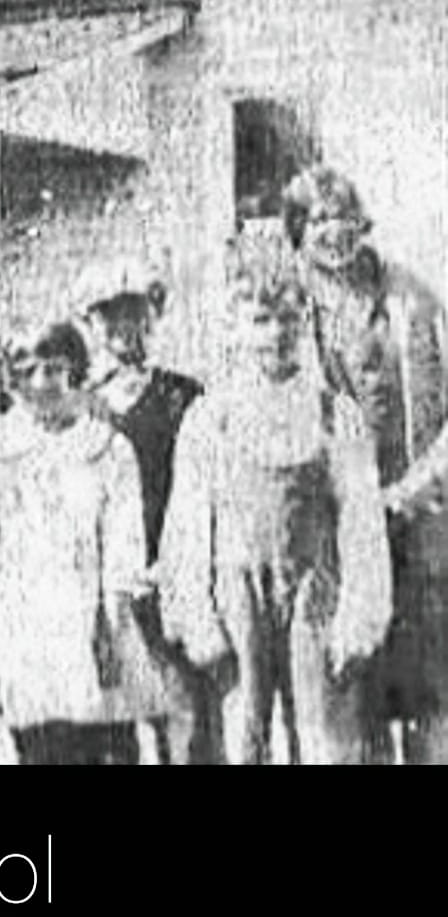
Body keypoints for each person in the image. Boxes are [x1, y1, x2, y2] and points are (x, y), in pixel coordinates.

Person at [157, 231, 392, 764]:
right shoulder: (211, 418)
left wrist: (358, 618)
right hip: (239, 601)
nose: (276, 334)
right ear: (234, 325)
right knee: (245, 735)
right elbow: (187, 527)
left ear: (305, 321)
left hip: (315, 598)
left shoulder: (334, 414)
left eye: (288, 318)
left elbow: (361, 524)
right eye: (261, 320)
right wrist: (198, 620)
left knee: (323, 738)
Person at [282, 166, 448, 762]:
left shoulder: (409, 297)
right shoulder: (288, 310)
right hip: (336, 544)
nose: (333, 231)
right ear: (298, 231)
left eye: (342, 215)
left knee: (431, 702)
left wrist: (416, 486)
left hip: (416, 524)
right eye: (317, 219)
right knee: (350, 712)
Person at [0, 321, 179, 765]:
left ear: (76, 372)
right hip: (28, 629)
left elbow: (124, 544)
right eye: (26, 372)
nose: (40, 383)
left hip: (94, 623)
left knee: (105, 744)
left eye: (53, 370)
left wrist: (111, 619)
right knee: (40, 746)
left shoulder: (108, 449)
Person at [72, 259, 207, 764]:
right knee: (113, 729)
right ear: (90, 323)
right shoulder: (79, 406)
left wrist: (174, 564)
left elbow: (200, 492)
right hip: (108, 588)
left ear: (154, 315)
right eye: (108, 314)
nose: (122, 326)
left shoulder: (183, 397)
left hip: (171, 579)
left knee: (185, 721)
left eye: (134, 311)